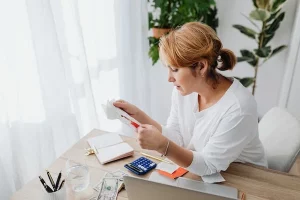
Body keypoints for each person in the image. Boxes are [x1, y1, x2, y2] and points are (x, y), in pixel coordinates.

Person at [113, 22, 267, 176]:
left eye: (174, 69)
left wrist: (163, 146)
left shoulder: (239, 108)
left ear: (201, 66)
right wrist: (138, 115)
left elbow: (208, 165)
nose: (169, 78)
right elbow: (177, 138)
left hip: (247, 178)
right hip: (211, 175)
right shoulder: (184, 91)